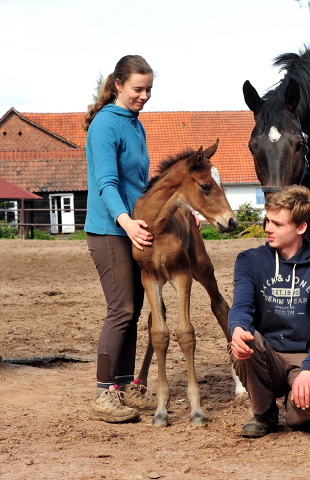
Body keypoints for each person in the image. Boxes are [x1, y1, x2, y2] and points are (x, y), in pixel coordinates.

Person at [228, 185, 310, 437]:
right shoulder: (249, 260)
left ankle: (297, 409)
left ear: (300, 228)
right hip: (268, 355)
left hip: (306, 356)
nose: (267, 228)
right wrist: (236, 329)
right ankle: (264, 413)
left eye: (277, 224)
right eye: (267, 220)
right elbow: (241, 306)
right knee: (244, 339)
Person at [84, 55, 158, 423]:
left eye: (148, 90)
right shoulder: (104, 125)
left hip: (135, 228)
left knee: (133, 311)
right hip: (110, 230)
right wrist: (126, 222)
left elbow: (141, 185)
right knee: (122, 310)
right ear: (118, 84)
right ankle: (103, 393)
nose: (144, 96)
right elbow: (107, 184)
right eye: (137, 89)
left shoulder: (135, 124)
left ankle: (126, 385)